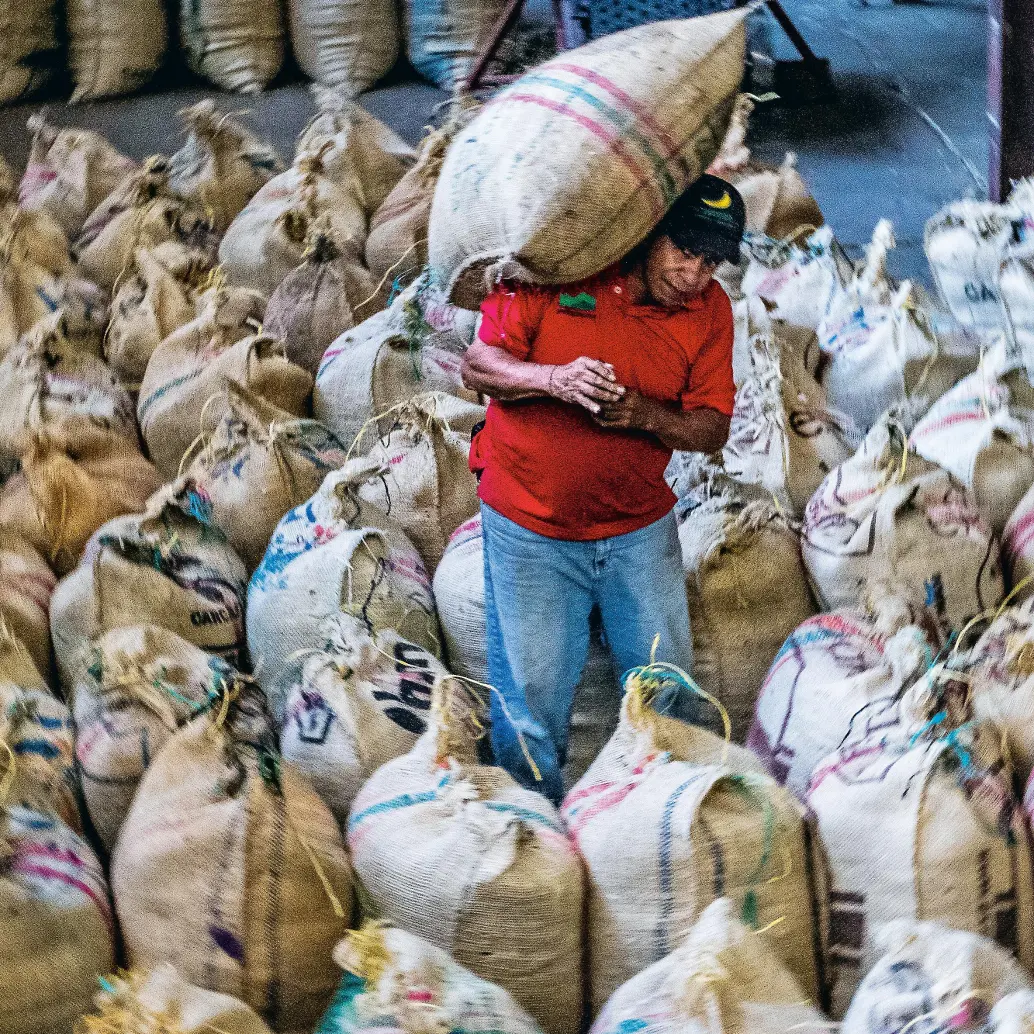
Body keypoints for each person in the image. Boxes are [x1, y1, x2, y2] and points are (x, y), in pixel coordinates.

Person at [460, 173, 746, 803]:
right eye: (682, 250)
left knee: (666, 690)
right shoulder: (562, 268)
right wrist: (554, 379)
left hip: (638, 529)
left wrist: (644, 414)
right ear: (647, 234)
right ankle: (535, 826)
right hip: (531, 527)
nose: (694, 273)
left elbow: (712, 428)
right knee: (531, 701)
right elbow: (478, 365)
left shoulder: (710, 312)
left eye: (710, 260)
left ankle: (659, 818)